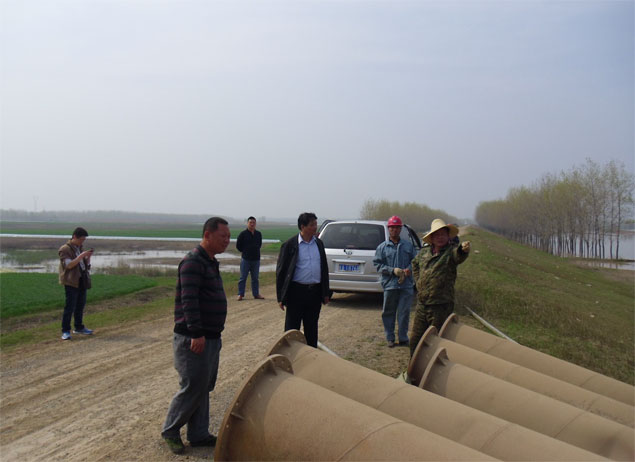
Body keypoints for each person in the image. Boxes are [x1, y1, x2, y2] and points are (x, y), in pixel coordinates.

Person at [162, 217, 231, 455]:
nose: (227, 240)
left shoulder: (210, 261)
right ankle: (170, 430)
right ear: (207, 235)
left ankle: (199, 433)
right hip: (194, 338)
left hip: (210, 336)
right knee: (193, 386)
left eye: (228, 236)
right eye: (223, 236)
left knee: (203, 386)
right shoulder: (192, 262)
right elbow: (189, 300)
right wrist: (196, 333)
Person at [410, 219, 470, 357]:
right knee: (415, 340)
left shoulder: (450, 253)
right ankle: (413, 367)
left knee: (436, 342)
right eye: (437, 235)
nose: (440, 237)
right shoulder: (424, 252)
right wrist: (418, 281)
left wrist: (463, 249)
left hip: (441, 306)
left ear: (448, 236)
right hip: (422, 305)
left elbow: (458, 255)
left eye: (443, 234)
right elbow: (414, 263)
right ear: (431, 238)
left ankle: (434, 367)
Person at [276, 212, 330, 348]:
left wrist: (325, 293)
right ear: (302, 227)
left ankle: (311, 355)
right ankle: (290, 355)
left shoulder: (319, 244)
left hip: (314, 293)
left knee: (312, 328)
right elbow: (281, 272)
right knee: (292, 329)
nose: (315, 227)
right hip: (296, 293)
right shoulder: (290, 245)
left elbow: (324, 269)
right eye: (312, 225)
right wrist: (281, 297)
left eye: (315, 224)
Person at [373, 216, 416, 348]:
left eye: (397, 228)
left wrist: (408, 270)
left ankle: (403, 338)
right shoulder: (382, 248)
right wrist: (392, 270)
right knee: (388, 312)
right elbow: (377, 265)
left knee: (404, 313)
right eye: (392, 228)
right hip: (390, 285)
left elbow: (415, 262)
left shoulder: (408, 246)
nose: (395, 230)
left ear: (400, 229)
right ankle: (390, 338)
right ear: (389, 229)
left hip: (406, 285)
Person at [58, 227, 94, 340]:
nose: (82, 242)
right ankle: (65, 331)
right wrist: (81, 256)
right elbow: (69, 265)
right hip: (71, 281)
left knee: (80, 305)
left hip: (82, 280)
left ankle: (79, 327)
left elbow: (84, 265)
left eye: (84, 240)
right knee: (70, 307)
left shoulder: (79, 248)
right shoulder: (65, 249)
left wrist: (88, 258)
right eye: (81, 239)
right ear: (74, 237)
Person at [236, 216, 264, 300]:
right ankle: (240, 294)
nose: (252, 224)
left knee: (255, 278)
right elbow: (238, 246)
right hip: (246, 259)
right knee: (243, 278)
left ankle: (256, 294)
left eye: (253, 223)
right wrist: (245, 251)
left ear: (255, 224)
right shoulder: (243, 234)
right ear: (247, 223)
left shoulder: (258, 234)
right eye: (250, 222)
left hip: (256, 259)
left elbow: (259, 245)